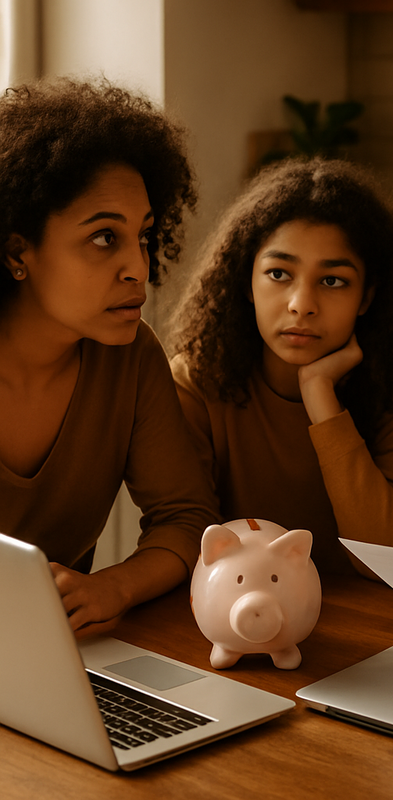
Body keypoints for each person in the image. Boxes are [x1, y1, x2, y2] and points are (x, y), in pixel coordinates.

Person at [0, 77, 218, 637]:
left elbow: (186, 520)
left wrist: (112, 587)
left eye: (143, 236)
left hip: (58, 653)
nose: (138, 269)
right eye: (103, 238)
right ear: (17, 250)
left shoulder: (130, 357)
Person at [170, 158, 393, 576]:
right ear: (246, 282)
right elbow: (188, 545)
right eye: (279, 273)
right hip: (234, 607)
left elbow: (388, 560)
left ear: (366, 298)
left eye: (332, 281)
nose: (301, 304)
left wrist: (322, 400)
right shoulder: (195, 382)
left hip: (361, 612)